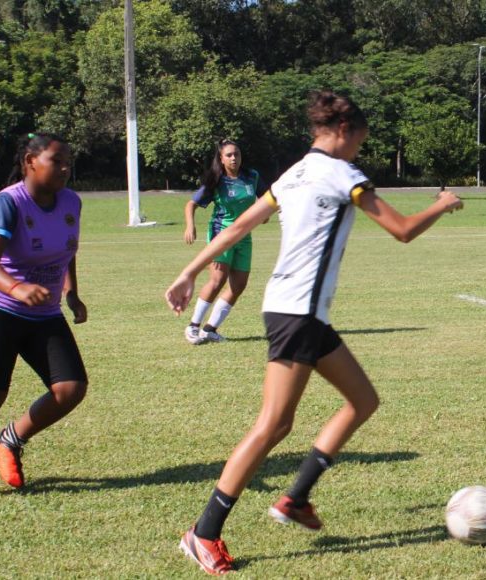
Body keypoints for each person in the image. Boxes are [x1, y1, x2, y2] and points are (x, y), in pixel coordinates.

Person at [165, 90, 463, 576]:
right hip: (297, 314)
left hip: (298, 313)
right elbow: (403, 229)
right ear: (344, 132)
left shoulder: (294, 173)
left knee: (363, 401)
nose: (359, 152)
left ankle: (296, 498)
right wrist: (443, 204)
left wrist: (189, 271)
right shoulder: (344, 175)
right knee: (273, 425)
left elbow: (237, 227)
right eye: (360, 141)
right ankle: (203, 533)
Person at [0, 133, 88, 507]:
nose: (65, 167)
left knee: (71, 388)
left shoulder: (71, 201)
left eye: (67, 161)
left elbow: (67, 249)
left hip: (43, 310)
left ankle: (9, 439)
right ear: (30, 161)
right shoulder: (9, 203)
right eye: (56, 160)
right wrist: (16, 288)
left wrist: (71, 292)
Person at [182, 139, 265, 344]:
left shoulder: (252, 177)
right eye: (229, 155)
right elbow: (191, 204)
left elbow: (267, 198)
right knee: (217, 280)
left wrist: (265, 212)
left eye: (236, 154)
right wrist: (190, 226)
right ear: (221, 158)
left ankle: (210, 330)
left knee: (239, 285)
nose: (234, 158)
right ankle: (193, 326)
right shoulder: (216, 179)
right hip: (221, 234)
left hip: (244, 236)